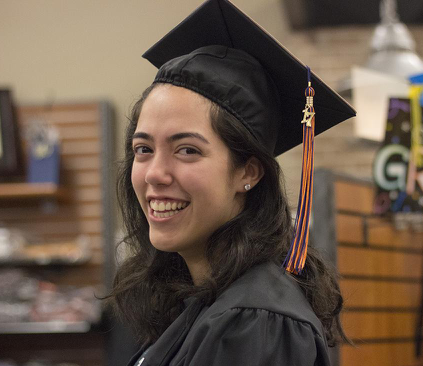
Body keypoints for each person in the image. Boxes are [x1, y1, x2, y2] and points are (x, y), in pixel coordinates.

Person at [106, 0, 356, 365]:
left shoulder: (252, 322)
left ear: (248, 172)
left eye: (187, 150)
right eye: (143, 149)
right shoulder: (201, 301)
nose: (155, 173)